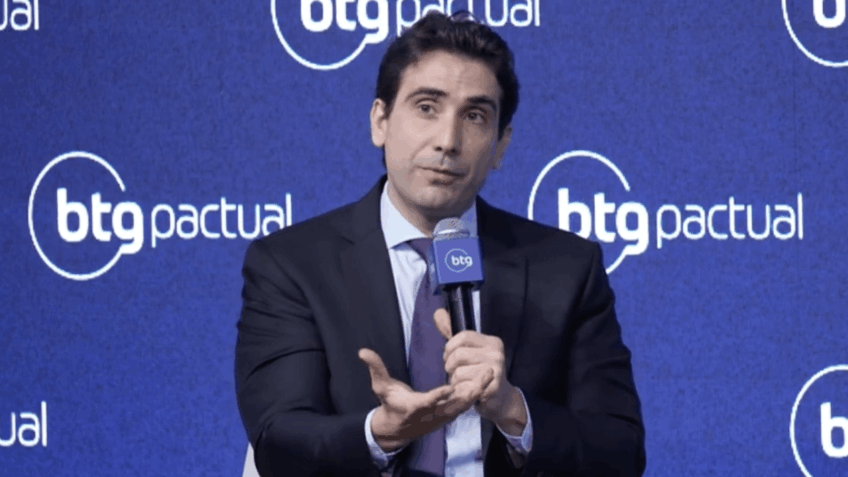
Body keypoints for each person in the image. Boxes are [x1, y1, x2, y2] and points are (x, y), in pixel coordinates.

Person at [236, 11, 645, 477]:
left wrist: (513, 410)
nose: (448, 141)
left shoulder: (568, 269)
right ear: (380, 121)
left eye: (474, 116)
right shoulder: (292, 265)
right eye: (427, 107)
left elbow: (620, 452)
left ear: (500, 145)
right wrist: (381, 433)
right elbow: (278, 440)